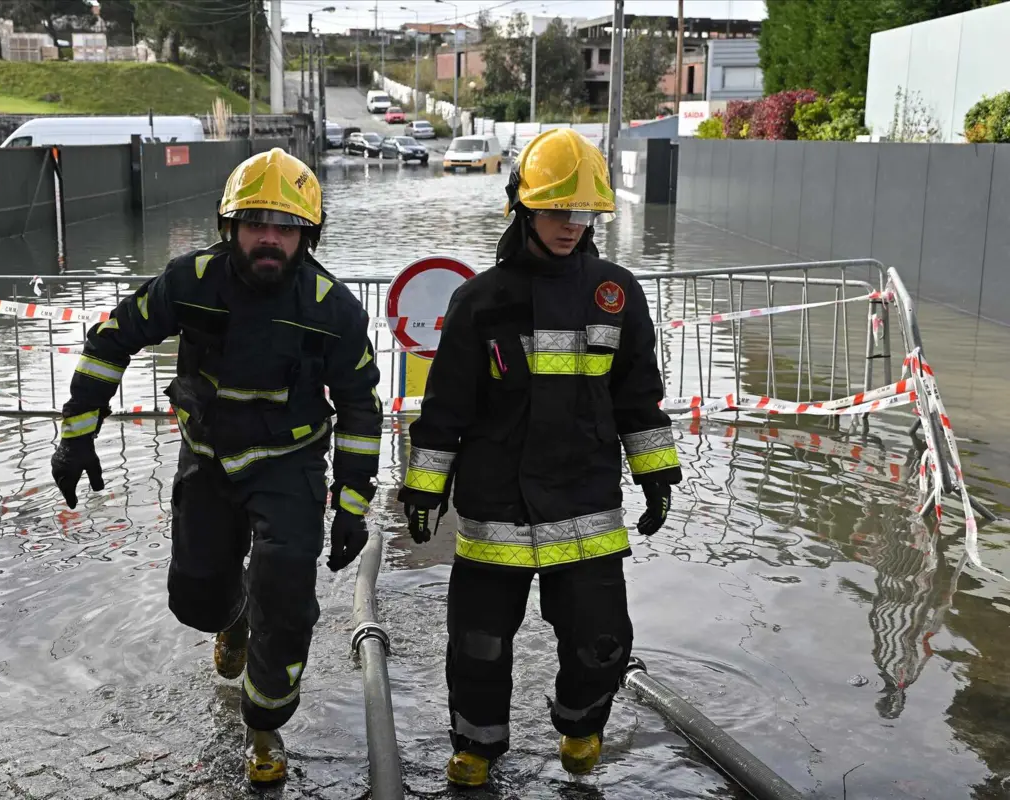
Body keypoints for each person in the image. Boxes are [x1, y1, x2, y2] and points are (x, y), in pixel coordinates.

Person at [49, 148, 383, 785]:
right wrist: (77, 434)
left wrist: (352, 502)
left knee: (284, 594)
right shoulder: (190, 281)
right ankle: (230, 620)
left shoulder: (331, 308)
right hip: (206, 457)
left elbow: (363, 409)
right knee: (196, 595)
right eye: (255, 222)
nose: (268, 237)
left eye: (284, 226)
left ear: (307, 235)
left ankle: (264, 729)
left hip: (290, 465)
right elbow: (110, 340)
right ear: (230, 226)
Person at [396, 128, 682, 787]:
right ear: (522, 207)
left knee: (603, 645)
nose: (570, 226)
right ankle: (476, 748)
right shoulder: (480, 302)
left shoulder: (617, 294)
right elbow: (445, 412)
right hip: (496, 511)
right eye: (557, 210)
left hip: (585, 505)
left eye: (583, 214)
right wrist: (423, 491)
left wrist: (657, 473)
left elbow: (639, 395)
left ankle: (581, 727)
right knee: (479, 648)